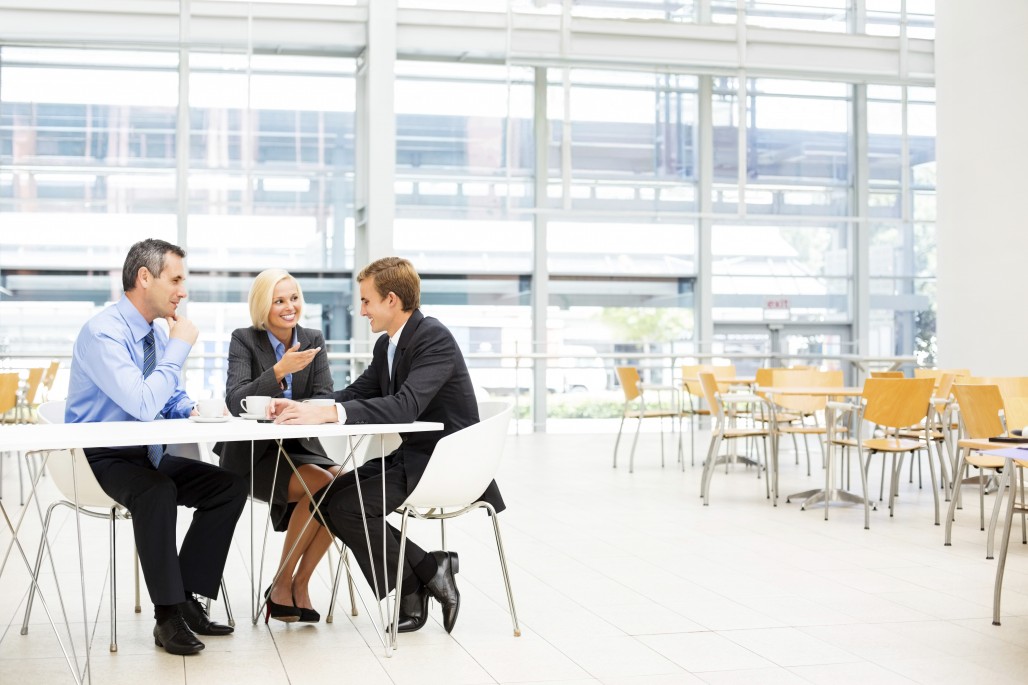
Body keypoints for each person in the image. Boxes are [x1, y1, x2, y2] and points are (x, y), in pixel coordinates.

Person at [269, 256, 504, 634]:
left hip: (445, 463)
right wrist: (304, 407)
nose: (361, 311)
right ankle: (428, 570)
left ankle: (416, 581)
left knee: (348, 507)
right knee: (326, 499)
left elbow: (405, 406)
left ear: (391, 300)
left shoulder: (433, 338)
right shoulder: (388, 347)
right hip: (411, 458)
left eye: (366, 301)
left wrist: (329, 416)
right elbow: (355, 393)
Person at [65, 238, 247, 656]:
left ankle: (187, 598)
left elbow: (165, 398)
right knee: (157, 490)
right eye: (176, 279)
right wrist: (180, 345)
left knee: (228, 487)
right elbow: (143, 403)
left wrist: (193, 409)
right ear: (145, 278)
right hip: (99, 457)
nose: (183, 291)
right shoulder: (103, 333)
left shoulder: (153, 335)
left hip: (144, 453)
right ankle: (167, 618)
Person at [215, 268, 341, 623]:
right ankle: (283, 584)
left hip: (300, 446)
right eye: (279, 300)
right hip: (255, 454)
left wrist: (299, 408)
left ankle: (297, 584)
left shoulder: (313, 337)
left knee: (344, 484)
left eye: (294, 298)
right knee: (322, 484)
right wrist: (279, 372)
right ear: (263, 305)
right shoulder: (244, 339)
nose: (290, 307)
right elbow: (236, 397)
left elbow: (323, 396)